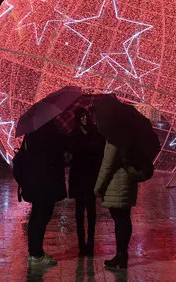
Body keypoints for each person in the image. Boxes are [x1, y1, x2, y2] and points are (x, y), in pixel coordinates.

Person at [18, 121, 67, 266]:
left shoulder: (31, 133)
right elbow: (55, 155)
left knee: (37, 215)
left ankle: (35, 252)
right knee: (41, 216)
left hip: (35, 182)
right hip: (46, 182)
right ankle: (36, 254)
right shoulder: (50, 133)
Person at [94, 135, 139, 269]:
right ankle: (122, 255)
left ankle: (121, 256)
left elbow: (107, 165)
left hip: (116, 184)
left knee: (120, 220)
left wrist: (98, 188)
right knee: (125, 219)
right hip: (128, 182)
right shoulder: (132, 137)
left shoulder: (115, 138)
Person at [67, 108, 104, 257]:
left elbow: (99, 149)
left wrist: (84, 149)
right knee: (79, 213)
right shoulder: (74, 133)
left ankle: (91, 244)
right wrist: (87, 148)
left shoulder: (95, 131)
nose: (84, 119)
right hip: (78, 177)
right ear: (77, 118)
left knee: (92, 213)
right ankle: (81, 245)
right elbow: (74, 149)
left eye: (86, 116)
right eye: (81, 117)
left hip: (91, 177)